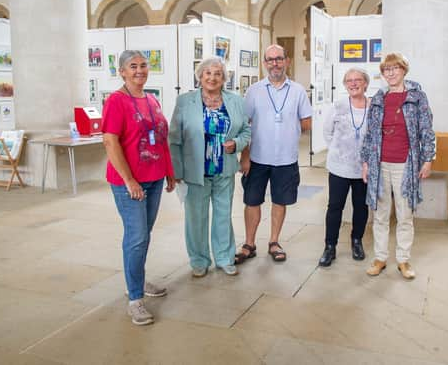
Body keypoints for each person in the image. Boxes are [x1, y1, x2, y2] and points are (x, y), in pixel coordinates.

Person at [102, 50, 176, 326]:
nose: (139, 71)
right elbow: (110, 142)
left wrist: (168, 171)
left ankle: (138, 280)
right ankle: (135, 299)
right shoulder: (116, 101)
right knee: (136, 237)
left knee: (144, 234)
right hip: (128, 181)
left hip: (155, 178)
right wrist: (129, 180)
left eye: (143, 66)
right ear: (122, 71)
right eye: (133, 66)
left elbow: (161, 138)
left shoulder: (152, 98)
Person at [169, 57, 251, 277]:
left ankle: (224, 257)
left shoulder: (235, 101)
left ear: (224, 78)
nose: (212, 78)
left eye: (217, 74)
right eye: (208, 73)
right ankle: (199, 260)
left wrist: (237, 144)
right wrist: (176, 171)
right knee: (196, 217)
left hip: (224, 169)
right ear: (200, 76)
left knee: (223, 215)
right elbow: (174, 138)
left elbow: (246, 131)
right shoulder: (185, 101)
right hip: (195, 171)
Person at [235, 44, 313, 263]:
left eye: (279, 58)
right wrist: (245, 155)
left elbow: (306, 122)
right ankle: (249, 244)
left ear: (286, 61)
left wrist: (288, 130)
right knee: (252, 201)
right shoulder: (254, 91)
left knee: (280, 200)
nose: (275, 63)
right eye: (270, 59)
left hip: (286, 159)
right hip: (257, 158)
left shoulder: (297, 90)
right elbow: (245, 124)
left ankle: (274, 241)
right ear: (265, 63)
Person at [360, 52, 435, 279]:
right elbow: (370, 133)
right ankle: (380, 258)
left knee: (404, 215)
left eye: (395, 69)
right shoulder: (379, 98)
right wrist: (365, 162)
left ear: (404, 70)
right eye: (386, 70)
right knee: (380, 215)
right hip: (379, 163)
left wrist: (428, 158)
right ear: (383, 74)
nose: (391, 73)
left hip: (406, 164)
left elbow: (426, 130)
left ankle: (403, 260)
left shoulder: (417, 96)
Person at [319, 68, 370, 267]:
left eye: (358, 80)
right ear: (345, 84)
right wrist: (338, 151)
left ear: (365, 83)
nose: (353, 83)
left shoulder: (373, 106)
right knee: (334, 207)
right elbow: (327, 132)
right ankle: (329, 246)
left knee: (361, 207)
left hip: (363, 168)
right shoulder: (338, 106)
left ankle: (356, 241)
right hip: (339, 167)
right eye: (349, 80)